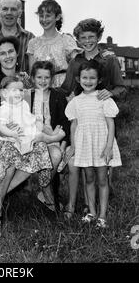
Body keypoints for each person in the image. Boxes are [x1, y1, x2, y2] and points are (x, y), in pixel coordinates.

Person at [0, 36, 54, 227]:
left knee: (39, 150)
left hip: (23, 130)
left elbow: (35, 105)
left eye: (10, 51)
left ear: (17, 53)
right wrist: (4, 133)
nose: (7, 56)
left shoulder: (25, 79)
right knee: (10, 155)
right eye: (2, 53)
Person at [60, 18, 126, 219]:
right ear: (78, 40)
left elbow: (121, 88)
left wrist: (111, 93)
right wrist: (67, 96)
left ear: (98, 37)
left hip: (104, 117)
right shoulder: (75, 61)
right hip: (81, 118)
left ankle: (103, 209)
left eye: (91, 37)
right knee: (88, 170)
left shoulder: (109, 59)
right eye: (83, 38)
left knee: (104, 172)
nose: (88, 41)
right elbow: (66, 88)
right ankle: (90, 209)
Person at [65, 60, 122, 229]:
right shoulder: (76, 101)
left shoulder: (103, 98)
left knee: (102, 179)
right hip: (85, 145)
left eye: (92, 78)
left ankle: (102, 216)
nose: (88, 81)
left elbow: (111, 124)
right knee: (89, 178)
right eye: (84, 77)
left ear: (98, 80)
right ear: (78, 79)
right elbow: (74, 125)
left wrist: (109, 146)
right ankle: (92, 212)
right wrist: (74, 146)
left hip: (101, 143)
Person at [29, 61, 70, 211]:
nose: (43, 81)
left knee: (57, 155)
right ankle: (48, 196)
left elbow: (65, 122)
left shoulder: (58, 95)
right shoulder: (28, 96)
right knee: (43, 154)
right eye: (39, 77)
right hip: (33, 139)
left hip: (54, 139)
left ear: (51, 79)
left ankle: (43, 185)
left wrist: (61, 142)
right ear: (33, 78)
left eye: (47, 77)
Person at [0, 76, 65, 155]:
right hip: (17, 136)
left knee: (39, 124)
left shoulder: (23, 104)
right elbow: (1, 126)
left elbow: (27, 116)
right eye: (14, 90)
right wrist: (11, 133)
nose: (18, 93)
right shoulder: (4, 109)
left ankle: (51, 133)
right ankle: (53, 138)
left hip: (27, 128)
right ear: (4, 93)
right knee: (39, 136)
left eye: (20, 90)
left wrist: (34, 118)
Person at [27, 0, 82, 87]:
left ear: (57, 17)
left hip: (63, 87)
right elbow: (32, 72)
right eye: (41, 16)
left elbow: (77, 66)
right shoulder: (33, 43)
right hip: (42, 87)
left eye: (48, 16)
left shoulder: (66, 40)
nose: (44, 20)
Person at [0, 0, 35, 73]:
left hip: (23, 84)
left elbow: (35, 71)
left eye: (13, 9)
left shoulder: (30, 39)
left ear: (19, 13)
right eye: (5, 9)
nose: (9, 12)